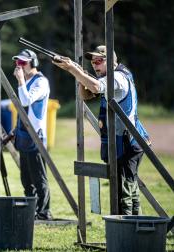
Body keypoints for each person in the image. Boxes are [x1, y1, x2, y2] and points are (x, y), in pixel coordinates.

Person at [52, 45, 150, 215]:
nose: (95, 65)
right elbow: (87, 95)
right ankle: (132, 228)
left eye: (99, 61)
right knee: (127, 188)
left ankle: (127, 231)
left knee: (123, 192)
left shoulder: (117, 77)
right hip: (123, 140)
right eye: (93, 62)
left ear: (111, 62)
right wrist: (79, 74)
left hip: (128, 141)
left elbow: (96, 88)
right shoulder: (110, 76)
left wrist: (72, 69)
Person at [12, 49, 53, 220]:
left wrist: (21, 80)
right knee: (26, 178)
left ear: (33, 63)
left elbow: (25, 101)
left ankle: (44, 212)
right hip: (23, 135)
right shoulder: (26, 82)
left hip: (36, 136)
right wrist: (15, 130)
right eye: (17, 63)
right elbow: (23, 111)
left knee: (39, 177)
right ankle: (32, 210)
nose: (19, 66)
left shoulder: (41, 82)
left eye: (23, 63)